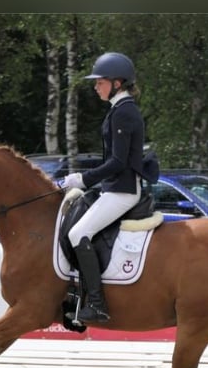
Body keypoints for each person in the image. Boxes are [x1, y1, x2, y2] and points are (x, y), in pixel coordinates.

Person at [61, 51, 145, 323]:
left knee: (78, 234)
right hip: (112, 186)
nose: (96, 86)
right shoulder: (118, 110)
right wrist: (86, 181)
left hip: (123, 191)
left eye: (101, 82)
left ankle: (97, 305)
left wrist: (85, 179)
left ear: (117, 83)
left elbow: (118, 162)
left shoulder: (125, 112)